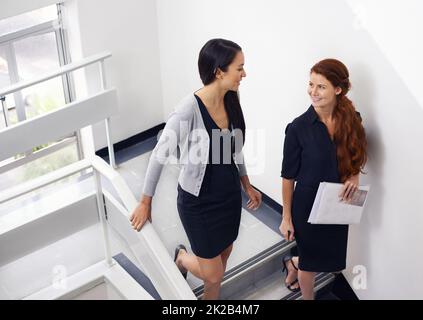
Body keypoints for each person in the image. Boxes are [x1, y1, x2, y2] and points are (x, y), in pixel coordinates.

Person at [130, 38, 262, 300]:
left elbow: (234, 147)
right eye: (240, 68)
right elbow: (159, 155)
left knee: (222, 259)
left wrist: (246, 184)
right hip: (199, 203)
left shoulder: (231, 98)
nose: (244, 74)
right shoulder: (188, 109)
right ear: (219, 71)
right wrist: (146, 202)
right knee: (212, 273)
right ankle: (181, 258)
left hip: (228, 196)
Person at [279, 59, 367, 299]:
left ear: (338, 89)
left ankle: (293, 262)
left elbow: (356, 153)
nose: (312, 92)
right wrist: (286, 217)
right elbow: (288, 177)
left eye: (321, 86)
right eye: (311, 84)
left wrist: (354, 175)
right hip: (306, 206)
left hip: (337, 201)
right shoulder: (297, 128)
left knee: (327, 258)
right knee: (310, 264)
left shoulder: (352, 119)